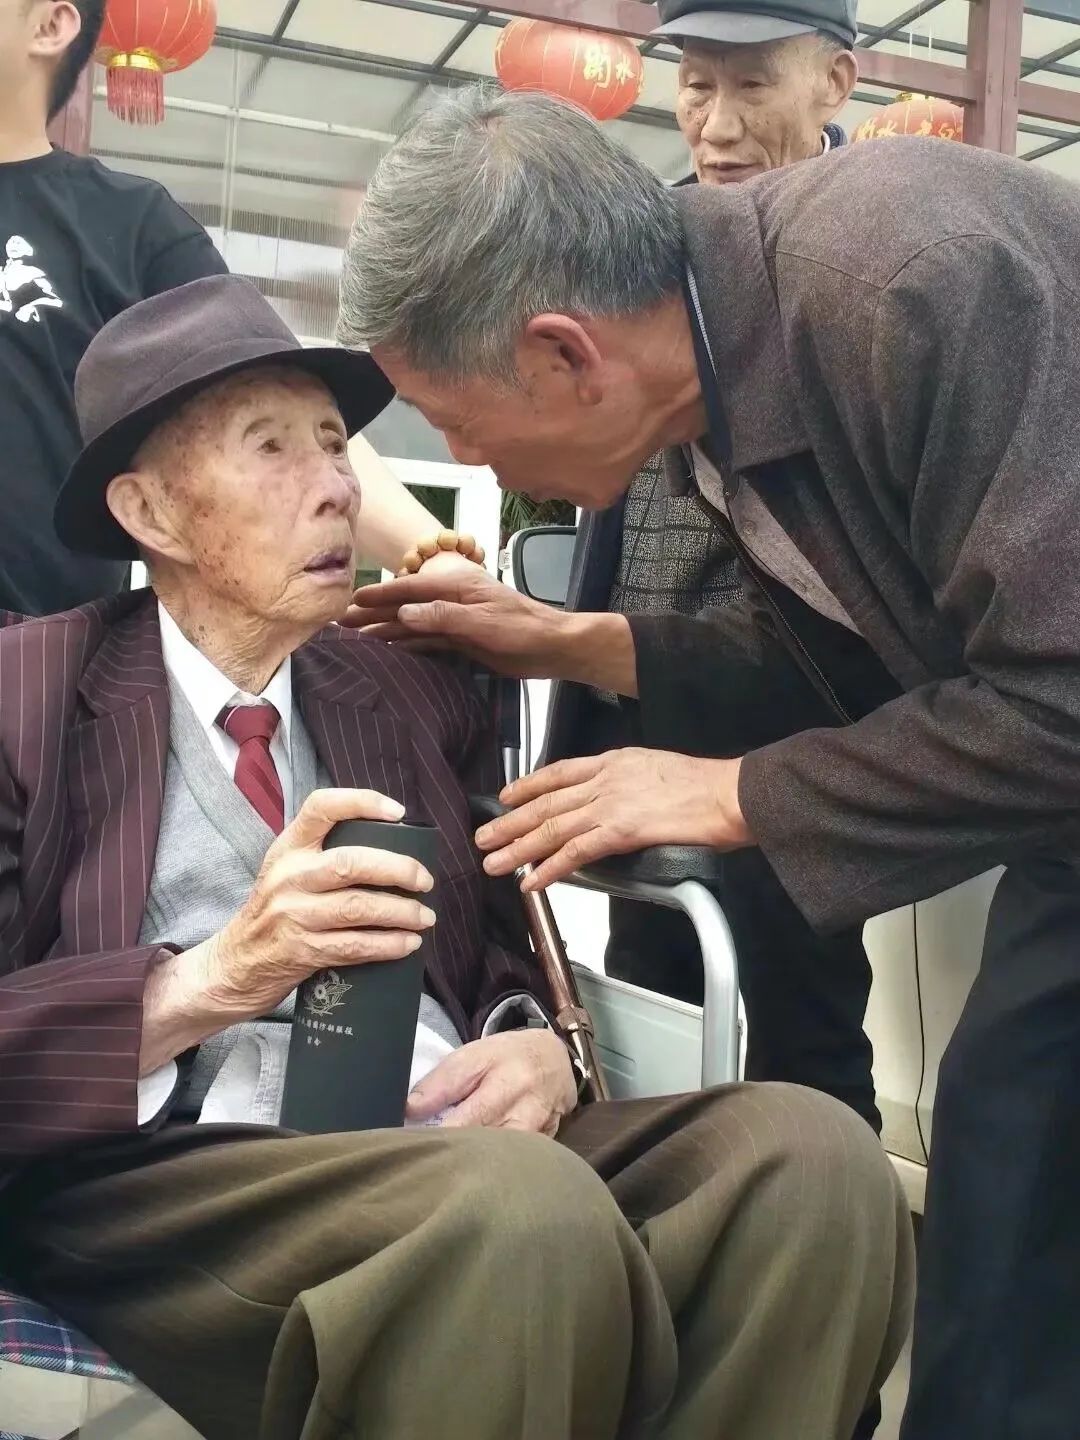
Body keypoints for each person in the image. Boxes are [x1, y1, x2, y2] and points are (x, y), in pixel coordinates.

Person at [0, 273, 912, 1440]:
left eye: (335, 444)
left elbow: (501, 949)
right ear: (152, 513)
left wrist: (539, 1045)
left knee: (813, 1165)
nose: (336, 485)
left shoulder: (409, 687)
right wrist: (215, 977)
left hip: (437, 1130)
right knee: (515, 1212)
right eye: (271, 448)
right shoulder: (31, 693)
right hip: (169, 1174)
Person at [340, 85, 1080, 1440]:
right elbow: (853, 662)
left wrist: (736, 790)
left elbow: (1060, 691)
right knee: (1007, 1190)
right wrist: (569, 642)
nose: (455, 458)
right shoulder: (720, 373)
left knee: (1019, 1216)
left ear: (565, 353)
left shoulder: (904, 285)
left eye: (452, 417)